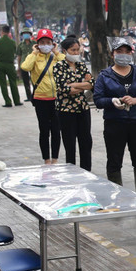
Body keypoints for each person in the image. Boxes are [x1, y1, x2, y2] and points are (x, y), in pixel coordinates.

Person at [93, 38, 136, 194]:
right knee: (114, 161)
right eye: (119, 51)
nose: (123, 55)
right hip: (114, 124)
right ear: (112, 53)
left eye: (127, 52)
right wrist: (112, 101)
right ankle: (117, 196)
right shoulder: (105, 75)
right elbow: (98, 100)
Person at [20, 29, 65, 163]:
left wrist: (56, 52)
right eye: (42, 42)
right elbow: (25, 67)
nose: (45, 44)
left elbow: (68, 64)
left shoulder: (55, 57)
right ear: (37, 44)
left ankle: (55, 159)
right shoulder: (34, 57)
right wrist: (34, 53)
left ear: (52, 43)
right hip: (41, 99)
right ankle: (46, 159)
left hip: (56, 98)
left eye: (48, 42)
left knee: (56, 131)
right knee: (44, 131)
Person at [53, 36, 94, 171]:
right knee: (70, 144)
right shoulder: (59, 66)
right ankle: (71, 172)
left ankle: (86, 170)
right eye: (73, 50)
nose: (76, 53)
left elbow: (91, 84)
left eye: (77, 50)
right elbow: (64, 89)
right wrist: (83, 85)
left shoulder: (81, 65)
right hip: (66, 110)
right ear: (65, 51)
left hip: (82, 108)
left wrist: (74, 84)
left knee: (86, 142)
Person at [0, 25, 22, 107]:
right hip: (10, 64)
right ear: (9, 32)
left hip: (0, 64)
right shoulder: (12, 42)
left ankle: (8, 102)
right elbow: (14, 52)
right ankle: (17, 101)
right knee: (13, 83)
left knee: (3, 84)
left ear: (1, 31)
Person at [16, 30, 34, 101]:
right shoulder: (20, 45)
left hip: (33, 64)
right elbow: (19, 56)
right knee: (26, 82)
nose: (26, 35)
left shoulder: (34, 44)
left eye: (27, 34)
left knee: (34, 81)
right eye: (24, 34)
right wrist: (18, 67)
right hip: (23, 64)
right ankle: (28, 96)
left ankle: (35, 95)